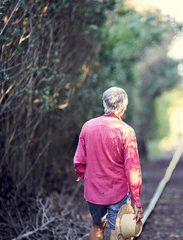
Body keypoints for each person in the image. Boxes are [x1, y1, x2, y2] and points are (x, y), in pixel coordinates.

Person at [73, 87, 143, 240]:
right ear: (124, 108)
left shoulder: (88, 126)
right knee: (118, 229)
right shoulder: (126, 131)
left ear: (104, 104)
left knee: (97, 225)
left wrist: (87, 176)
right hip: (117, 190)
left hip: (93, 189)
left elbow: (78, 161)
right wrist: (136, 200)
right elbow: (132, 168)